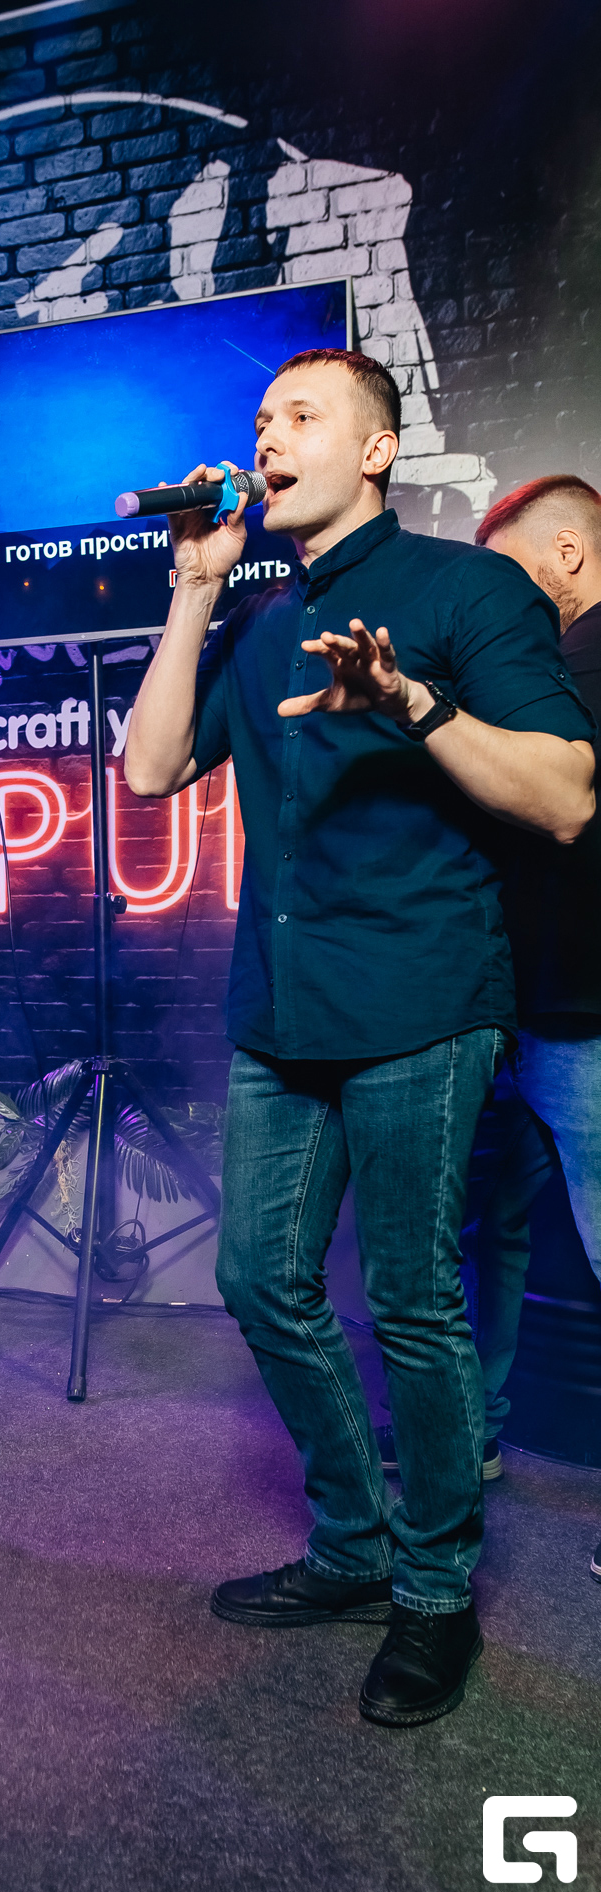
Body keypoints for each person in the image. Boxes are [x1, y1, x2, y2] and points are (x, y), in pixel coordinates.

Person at [125, 349, 596, 1726]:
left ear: (377, 450)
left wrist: (411, 704)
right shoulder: (262, 618)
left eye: (299, 416)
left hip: (422, 1009)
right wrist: (194, 586)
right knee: (259, 1280)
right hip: (282, 1015)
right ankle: (353, 1546)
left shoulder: (469, 590)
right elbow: (149, 769)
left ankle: (435, 1591)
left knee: (412, 1301)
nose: (265, 437)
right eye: (258, 419)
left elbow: (566, 794)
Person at [460, 476, 599, 1585]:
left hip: (583, 1020)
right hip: (532, 1012)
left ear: (567, 555)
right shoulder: (549, 666)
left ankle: (469, 1435)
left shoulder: (579, 664)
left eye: (511, 574)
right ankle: (469, 1435)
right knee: (490, 1233)